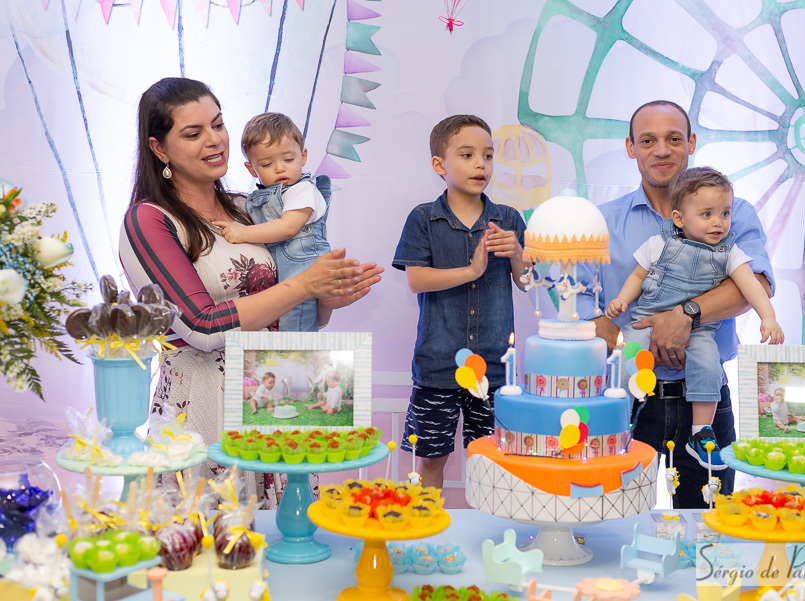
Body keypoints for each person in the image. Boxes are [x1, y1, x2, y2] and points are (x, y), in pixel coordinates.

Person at [119, 77, 383, 507]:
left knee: (289, 549)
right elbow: (199, 326)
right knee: (209, 556)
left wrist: (327, 296)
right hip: (203, 414)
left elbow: (288, 307)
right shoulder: (149, 221)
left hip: (274, 404)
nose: (214, 140)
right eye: (193, 132)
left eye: (218, 124)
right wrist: (304, 284)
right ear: (159, 149)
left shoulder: (250, 208)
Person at [578, 100, 775, 508]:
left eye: (673, 138)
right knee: (612, 514)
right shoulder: (602, 221)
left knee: (709, 519)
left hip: (705, 396)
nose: (662, 150)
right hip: (630, 393)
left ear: (692, 143)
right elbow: (580, 300)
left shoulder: (732, 212)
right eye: (648, 140)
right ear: (631, 148)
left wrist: (686, 314)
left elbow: (754, 284)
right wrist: (617, 334)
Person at [605, 167, 784, 469]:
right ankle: (616, 420)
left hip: (698, 329)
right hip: (646, 318)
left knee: (707, 363)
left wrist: (768, 317)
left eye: (725, 213)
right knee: (627, 356)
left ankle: (701, 431)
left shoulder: (730, 252)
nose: (719, 223)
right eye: (707, 214)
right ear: (679, 219)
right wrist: (622, 299)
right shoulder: (660, 243)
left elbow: (752, 285)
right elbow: (638, 273)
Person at [392, 114, 527, 490]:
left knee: (493, 464)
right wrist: (471, 270)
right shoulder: (423, 218)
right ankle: (421, 537)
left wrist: (517, 251)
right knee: (431, 461)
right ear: (440, 165)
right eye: (467, 155)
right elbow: (416, 280)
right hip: (438, 367)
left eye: (487, 155)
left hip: (495, 370)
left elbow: (527, 282)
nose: (480, 164)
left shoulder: (509, 218)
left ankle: (496, 541)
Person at [213, 113, 331, 332]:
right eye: (267, 164)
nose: (280, 168)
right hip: (284, 273)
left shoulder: (302, 189)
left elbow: (288, 227)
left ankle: (296, 365)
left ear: (303, 156)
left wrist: (243, 234)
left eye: (288, 159)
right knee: (283, 317)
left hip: (304, 267)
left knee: (295, 324)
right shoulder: (257, 198)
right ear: (251, 169)